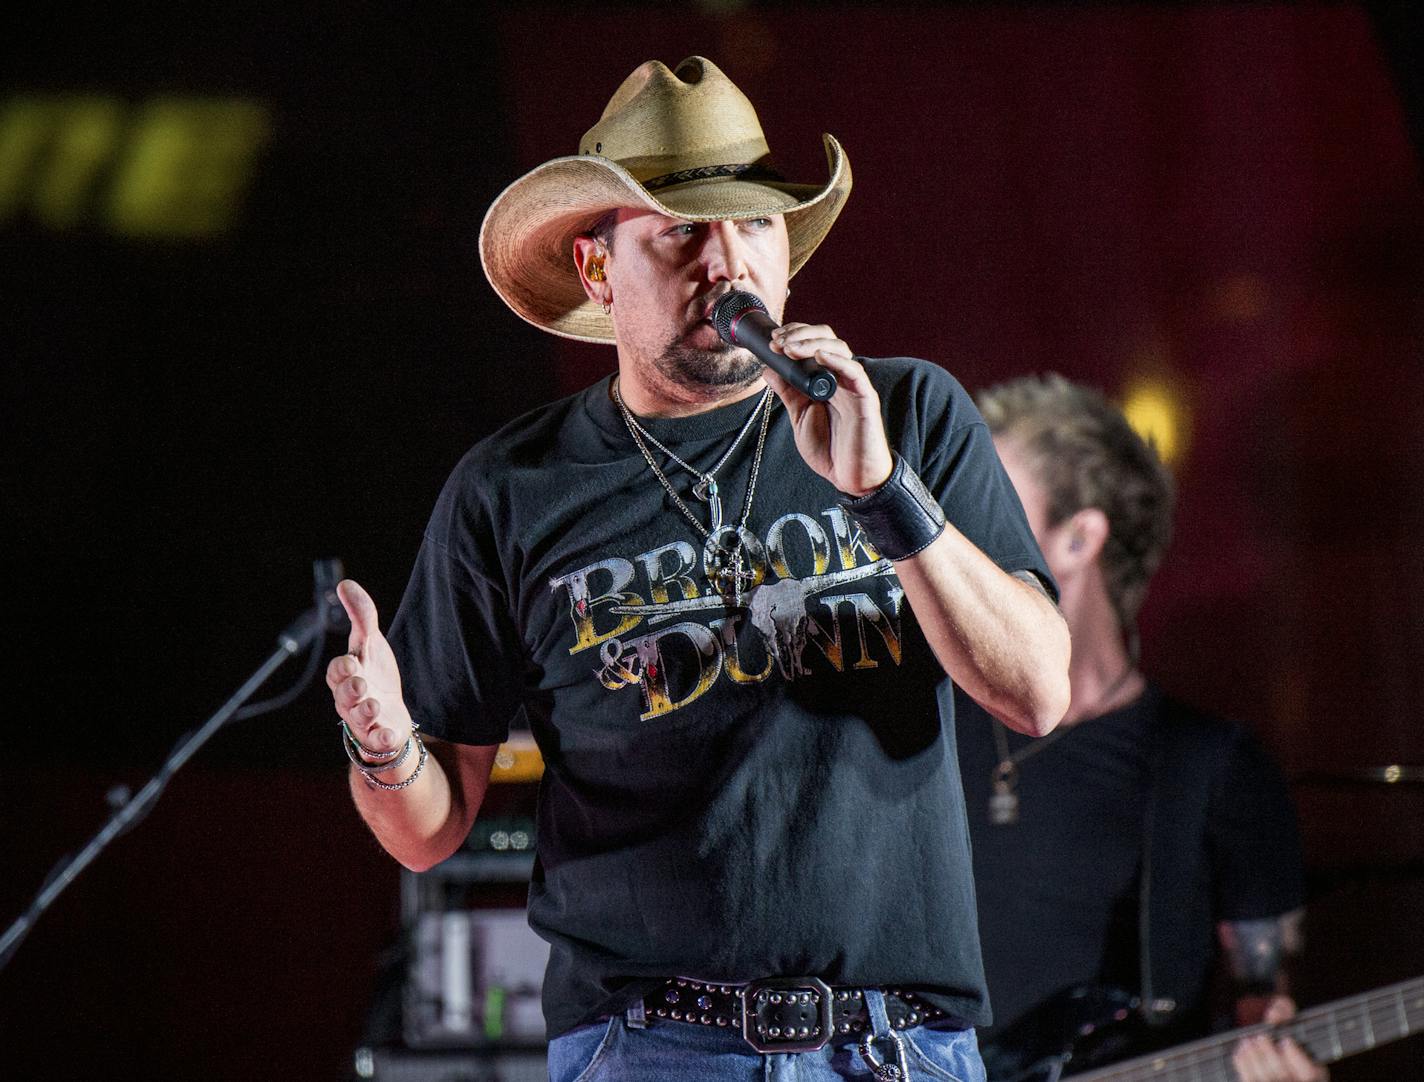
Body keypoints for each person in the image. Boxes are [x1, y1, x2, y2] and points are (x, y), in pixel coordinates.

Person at [326, 56, 1070, 1082]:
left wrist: (883, 492)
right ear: (596, 269)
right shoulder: (513, 488)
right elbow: (424, 832)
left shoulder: (906, 415)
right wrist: (378, 744)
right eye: (681, 229)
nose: (725, 260)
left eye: (753, 223)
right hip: (652, 1046)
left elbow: (1035, 690)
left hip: (902, 1047)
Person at [958, 374, 1324, 1082]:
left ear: (1078, 539)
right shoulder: (918, 732)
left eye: (986, 499)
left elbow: (1264, 1011)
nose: (953, 525)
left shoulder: (1212, 767)